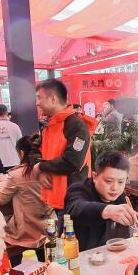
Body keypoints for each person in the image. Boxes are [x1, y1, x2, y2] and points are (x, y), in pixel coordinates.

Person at [36, 79, 95, 212]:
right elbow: (35, 149)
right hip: (55, 197)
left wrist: (40, 167)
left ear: (53, 99)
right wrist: (41, 169)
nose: (37, 103)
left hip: (73, 199)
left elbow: (72, 162)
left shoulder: (76, 125)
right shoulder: (50, 125)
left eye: (39, 97)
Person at [64, 152, 138, 251]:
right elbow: (75, 208)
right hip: (77, 254)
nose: (115, 188)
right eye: (109, 181)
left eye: (121, 182)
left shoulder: (121, 198)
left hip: (107, 253)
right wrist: (108, 210)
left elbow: (123, 236)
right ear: (95, 176)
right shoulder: (78, 190)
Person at [0, 135, 54, 260]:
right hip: (52, 228)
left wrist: (2, 183)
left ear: (21, 153)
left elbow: (0, 200)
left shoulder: (17, 174)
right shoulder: (52, 170)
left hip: (26, 232)